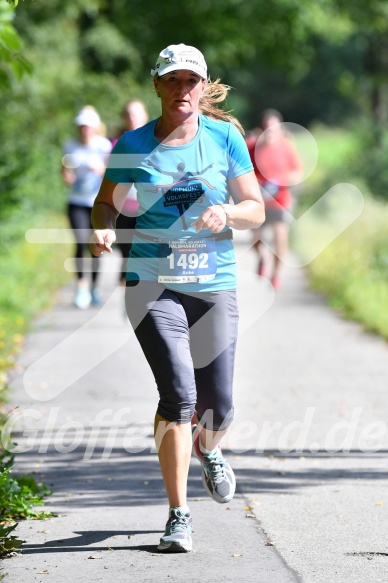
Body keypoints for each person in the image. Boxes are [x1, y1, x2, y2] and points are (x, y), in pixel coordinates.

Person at [90, 43, 264, 553]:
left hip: (213, 283)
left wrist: (227, 214)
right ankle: (179, 515)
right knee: (180, 396)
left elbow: (255, 207)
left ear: (204, 88)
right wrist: (102, 230)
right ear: (157, 85)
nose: (182, 90)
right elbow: (104, 205)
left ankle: (209, 449)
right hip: (152, 284)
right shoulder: (132, 144)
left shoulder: (224, 138)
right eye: (172, 80)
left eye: (191, 81)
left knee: (218, 405)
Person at [246, 109, 303, 290]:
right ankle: (263, 257)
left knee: (280, 239)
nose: (270, 132)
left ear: (280, 130)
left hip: (280, 201)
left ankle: (276, 275)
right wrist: (256, 183)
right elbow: (242, 172)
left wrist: (283, 181)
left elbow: (297, 172)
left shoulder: (287, 146)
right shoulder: (252, 147)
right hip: (259, 201)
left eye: (273, 128)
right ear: (262, 129)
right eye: (267, 128)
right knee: (255, 242)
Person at [62, 106, 112, 309]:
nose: (84, 129)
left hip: (98, 204)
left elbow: (112, 173)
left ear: (95, 127)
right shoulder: (70, 145)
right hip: (76, 202)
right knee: (81, 242)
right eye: (81, 126)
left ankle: (94, 287)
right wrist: (68, 176)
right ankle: (81, 287)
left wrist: (99, 169)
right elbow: (64, 170)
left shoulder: (103, 145)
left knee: (96, 246)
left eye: (88, 126)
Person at [111, 101, 149, 286]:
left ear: (145, 116)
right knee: (127, 255)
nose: (133, 118)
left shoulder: (157, 140)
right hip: (124, 207)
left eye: (137, 114)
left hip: (148, 208)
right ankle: (130, 301)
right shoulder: (115, 143)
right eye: (129, 114)